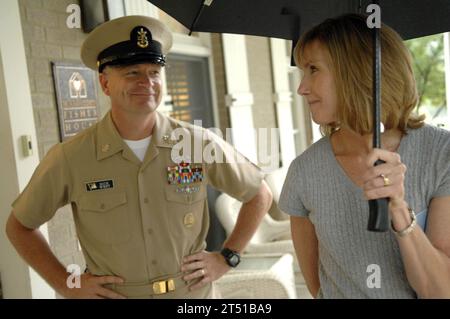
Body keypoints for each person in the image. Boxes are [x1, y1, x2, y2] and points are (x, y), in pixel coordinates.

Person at [5, 15, 272, 299]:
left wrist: (227, 257)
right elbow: (19, 226)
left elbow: (259, 194)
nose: (147, 81)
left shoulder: (197, 142)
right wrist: (65, 283)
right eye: (132, 72)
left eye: (154, 72)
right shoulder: (71, 156)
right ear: (105, 84)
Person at [279, 14, 450, 298]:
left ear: (356, 72)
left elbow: (441, 289)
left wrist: (398, 208)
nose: (301, 88)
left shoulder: (441, 154)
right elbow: (317, 286)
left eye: (313, 69)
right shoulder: (304, 171)